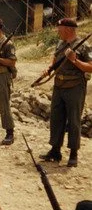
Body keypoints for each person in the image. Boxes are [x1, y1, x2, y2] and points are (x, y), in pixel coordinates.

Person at [39, 18, 91, 167]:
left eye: (60, 29)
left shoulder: (84, 46)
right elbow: (55, 61)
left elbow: (90, 67)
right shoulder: (60, 44)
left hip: (75, 86)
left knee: (74, 121)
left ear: (68, 29)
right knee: (56, 118)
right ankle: (55, 150)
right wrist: (48, 70)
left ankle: (73, 153)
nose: (58, 31)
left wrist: (75, 60)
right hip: (59, 85)